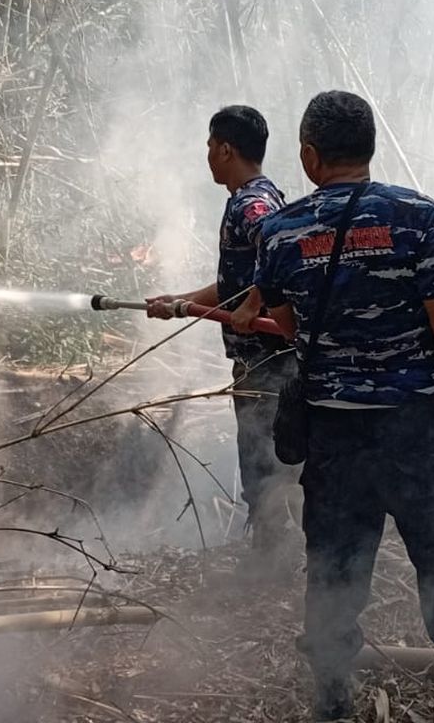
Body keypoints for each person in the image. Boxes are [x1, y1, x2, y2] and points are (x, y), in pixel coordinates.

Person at [254, 90, 434, 723]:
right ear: (369, 149)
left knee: (335, 570)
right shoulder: (419, 217)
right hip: (418, 432)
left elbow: (285, 321)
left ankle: (333, 701)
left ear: (310, 157)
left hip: (335, 440)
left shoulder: (281, 231)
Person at [146, 105, 298, 556]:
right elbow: (236, 285)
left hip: (266, 361)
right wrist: (180, 304)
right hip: (266, 359)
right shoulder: (261, 196)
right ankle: (284, 553)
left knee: (264, 462)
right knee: (272, 459)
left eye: (211, 146)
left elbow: (280, 251)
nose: (208, 155)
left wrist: (255, 303)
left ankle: (274, 562)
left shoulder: (251, 203)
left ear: (226, 149)